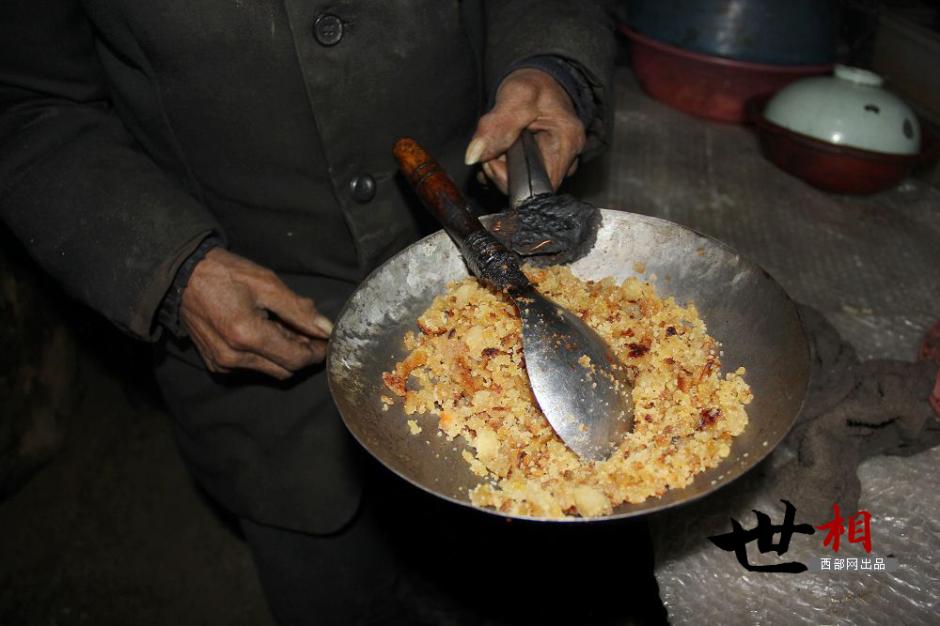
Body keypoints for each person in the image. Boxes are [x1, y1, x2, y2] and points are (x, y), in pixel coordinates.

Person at [0, 2, 646, 624]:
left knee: (504, 574)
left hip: (468, 253)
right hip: (260, 329)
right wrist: (168, 266)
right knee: (335, 589)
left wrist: (548, 68)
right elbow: (26, 106)